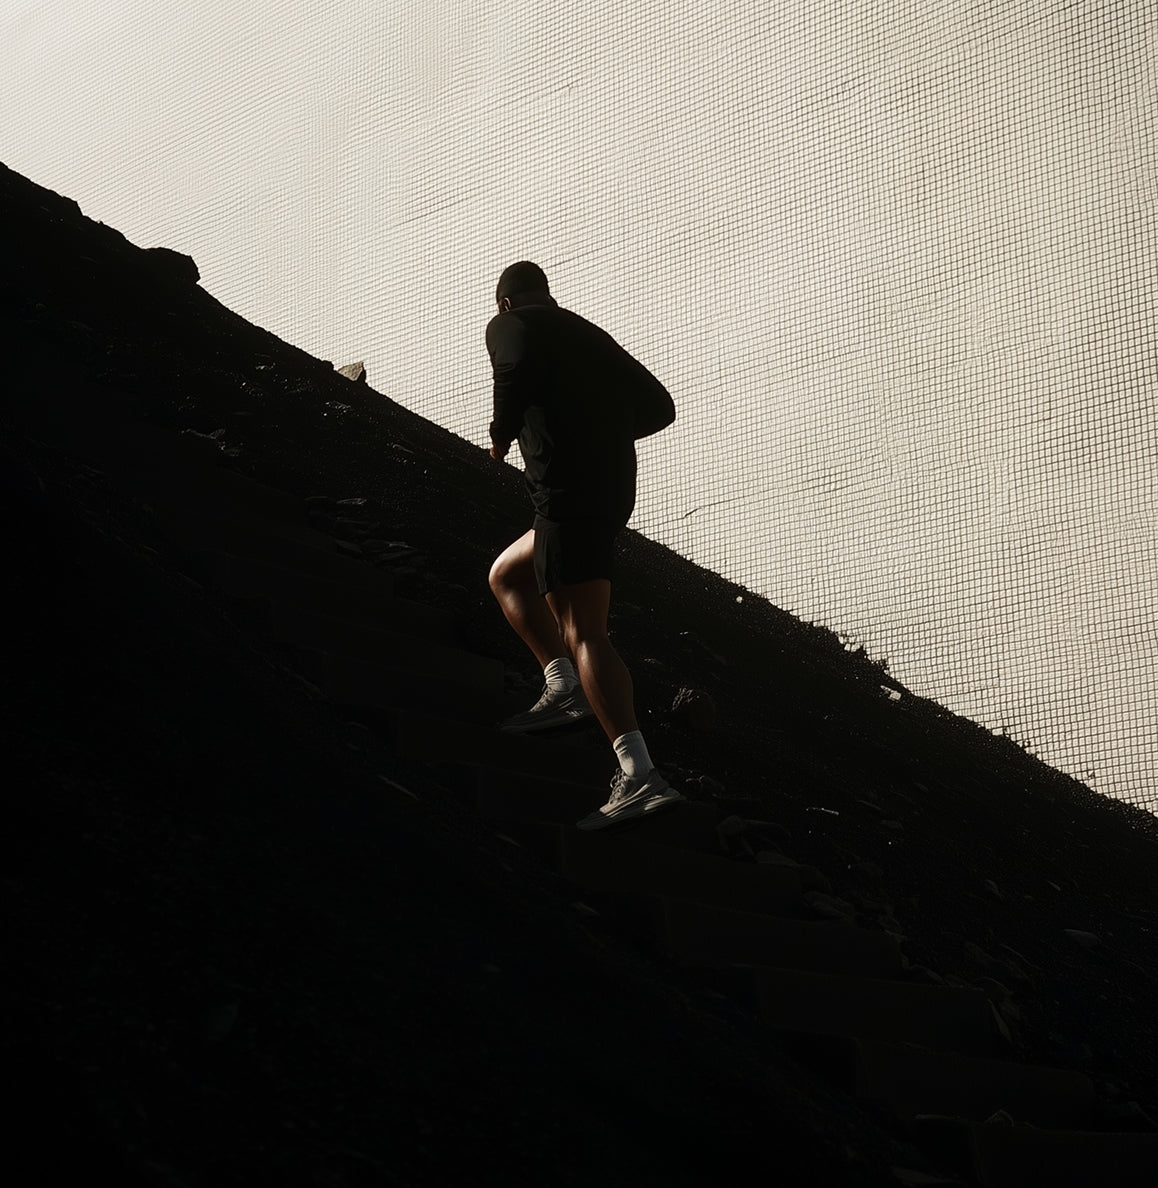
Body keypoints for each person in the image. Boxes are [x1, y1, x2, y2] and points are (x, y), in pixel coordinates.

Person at [485, 260, 684, 830]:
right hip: (607, 494)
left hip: (566, 497)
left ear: (507, 303)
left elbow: (512, 367)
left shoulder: (510, 323)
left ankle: (639, 771)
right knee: (508, 575)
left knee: (585, 631)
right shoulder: (584, 332)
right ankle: (563, 684)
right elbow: (657, 407)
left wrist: (502, 433)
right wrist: (597, 431)